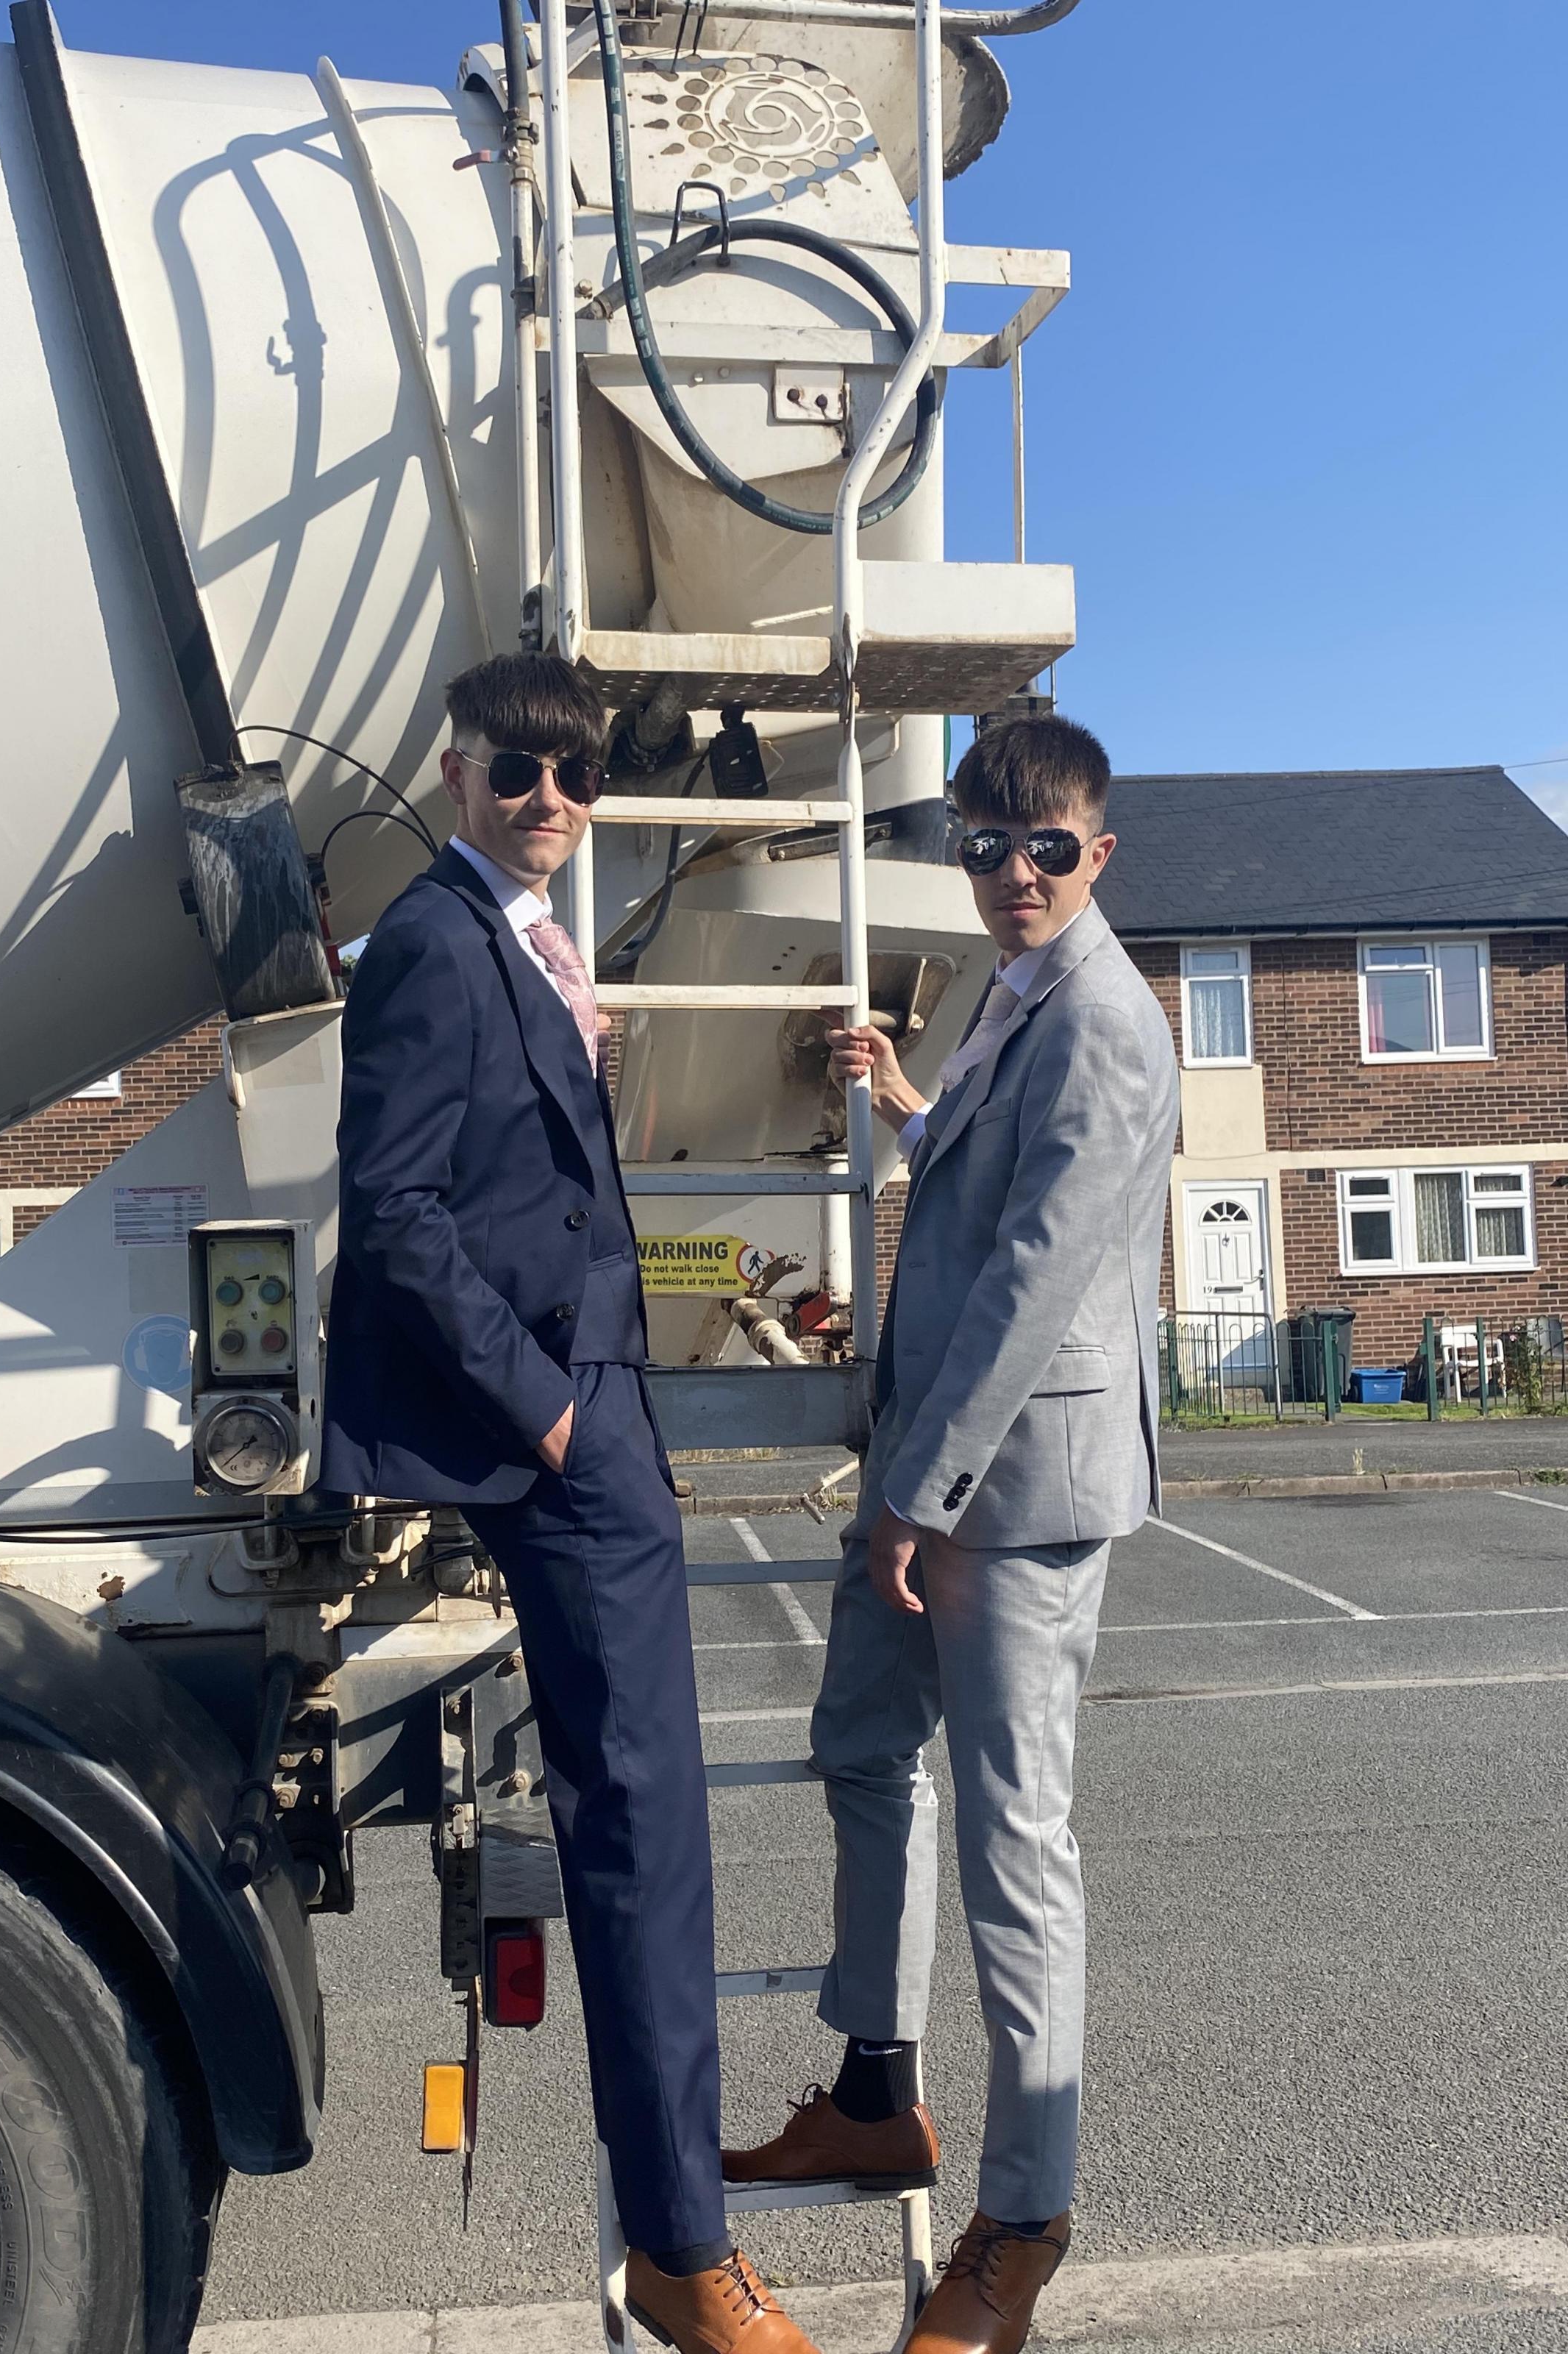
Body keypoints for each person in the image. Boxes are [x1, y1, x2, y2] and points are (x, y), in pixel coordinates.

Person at [321, 653, 822, 2354]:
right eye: (518, 773)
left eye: (577, 778)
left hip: (603, 1407)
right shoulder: (431, 944)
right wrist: (543, 1412)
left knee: (652, 1825)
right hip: (556, 1417)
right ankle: (684, 2251)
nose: (551, 802)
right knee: (639, 1833)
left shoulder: (524, 943)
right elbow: (393, 1214)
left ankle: (687, 2228)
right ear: (455, 773)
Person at [724, 713, 1180, 2354]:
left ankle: (1026, 2215)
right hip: (932, 1468)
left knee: (1015, 1846)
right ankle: (873, 2087)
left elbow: (1030, 1278)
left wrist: (917, 1492)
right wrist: (902, 1096)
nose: (1011, 876)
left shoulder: (1109, 1022)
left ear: (1096, 853)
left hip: (1016, 1489)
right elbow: (971, 1181)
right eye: (985, 848)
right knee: (861, 1746)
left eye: (1043, 848)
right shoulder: (1014, 993)